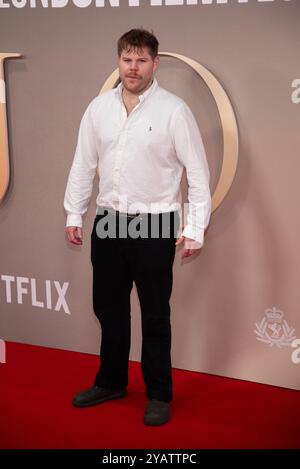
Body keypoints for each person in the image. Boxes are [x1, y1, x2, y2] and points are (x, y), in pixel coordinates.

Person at [64, 28, 211, 426]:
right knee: (109, 310)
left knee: (154, 315)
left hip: (155, 224)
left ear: (154, 63)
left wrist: (195, 228)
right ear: (118, 61)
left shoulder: (174, 111)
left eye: (141, 60)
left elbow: (197, 174)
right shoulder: (98, 109)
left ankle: (159, 393)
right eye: (127, 59)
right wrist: (74, 214)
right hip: (109, 220)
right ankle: (111, 381)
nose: (133, 68)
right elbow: (82, 164)